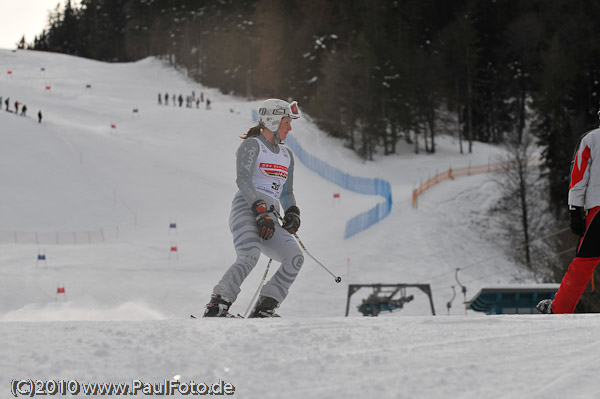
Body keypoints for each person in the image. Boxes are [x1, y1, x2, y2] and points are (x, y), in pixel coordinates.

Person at [203, 99, 303, 318]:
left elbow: (286, 192)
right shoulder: (252, 145)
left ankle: (264, 308)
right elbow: (243, 180)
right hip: (247, 209)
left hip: (271, 216)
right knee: (249, 255)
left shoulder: (287, 155)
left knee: (295, 257)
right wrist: (259, 210)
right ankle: (217, 306)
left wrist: (293, 212)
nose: (289, 128)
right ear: (273, 121)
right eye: (286, 122)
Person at [537, 116, 600, 314]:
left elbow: (578, 176)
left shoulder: (591, 139)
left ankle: (559, 309)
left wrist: (575, 211)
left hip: (598, 210)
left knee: (584, 263)